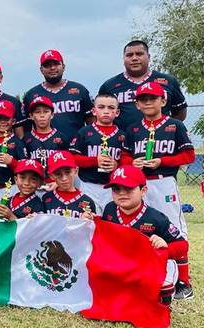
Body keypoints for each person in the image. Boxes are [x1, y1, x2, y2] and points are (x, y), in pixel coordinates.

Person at [100, 165, 192, 301]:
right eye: (116, 189)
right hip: (120, 264)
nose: (122, 193)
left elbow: (182, 245)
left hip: (148, 266)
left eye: (129, 188)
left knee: (162, 288)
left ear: (143, 190)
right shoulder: (110, 210)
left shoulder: (155, 218)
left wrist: (165, 247)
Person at [121, 82, 195, 237]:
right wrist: (131, 163)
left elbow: (189, 156)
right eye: (143, 99)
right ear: (137, 104)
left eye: (153, 98)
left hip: (164, 181)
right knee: (140, 225)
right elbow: (124, 156)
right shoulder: (133, 129)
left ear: (163, 101)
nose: (148, 102)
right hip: (139, 184)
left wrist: (162, 161)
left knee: (172, 223)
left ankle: (177, 258)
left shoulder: (175, 126)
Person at [99, 40, 187, 129]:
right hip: (123, 140)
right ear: (123, 58)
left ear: (148, 57)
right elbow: (100, 115)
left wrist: (165, 130)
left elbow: (180, 111)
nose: (134, 58)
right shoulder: (109, 85)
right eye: (129, 55)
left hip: (159, 139)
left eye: (139, 54)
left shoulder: (168, 81)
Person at [21, 49, 93, 146]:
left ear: (63, 67)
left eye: (56, 64)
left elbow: (92, 123)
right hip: (45, 151)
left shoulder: (79, 90)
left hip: (77, 149)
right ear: (41, 69)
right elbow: (26, 128)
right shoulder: (31, 95)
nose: (52, 68)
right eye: (47, 65)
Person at [69, 93, 126, 214]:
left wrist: (117, 166)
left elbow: (127, 161)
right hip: (89, 185)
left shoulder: (123, 135)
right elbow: (73, 158)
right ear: (94, 111)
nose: (106, 111)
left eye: (111, 108)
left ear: (117, 112)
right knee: (88, 221)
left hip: (113, 187)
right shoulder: (84, 132)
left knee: (111, 222)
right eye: (101, 107)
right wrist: (95, 161)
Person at [41, 151, 96, 219]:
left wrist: (89, 220)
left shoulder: (87, 202)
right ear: (51, 176)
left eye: (68, 172)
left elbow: (93, 227)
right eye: (58, 174)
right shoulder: (46, 198)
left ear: (76, 171)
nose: (64, 178)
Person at [22, 95, 65, 174]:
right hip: (34, 181)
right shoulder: (26, 139)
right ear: (31, 116)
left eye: (46, 111)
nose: (42, 115)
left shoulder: (61, 137)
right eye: (37, 112)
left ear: (52, 115)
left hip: (56, 182)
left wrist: (56, 183)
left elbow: (67, 164)